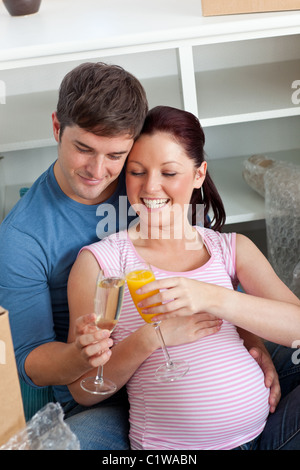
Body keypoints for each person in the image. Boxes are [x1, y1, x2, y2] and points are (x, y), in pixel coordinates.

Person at [67, 105, 300, 450]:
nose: (151, 187)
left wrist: (214, 297)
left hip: (266, 435)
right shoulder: (101, 263)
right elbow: (83, 388)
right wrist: (150, 338)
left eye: (169, 173)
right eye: (137, 171)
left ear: (198, 174)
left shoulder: (230, 248)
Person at [0, 62, 148, 449]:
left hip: (177, 364)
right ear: (56, 128)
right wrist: (80, 356)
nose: (98, 171)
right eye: (84, 148)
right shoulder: (22, 236)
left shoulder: (147, 182)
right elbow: (30, 360)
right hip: (101, 396)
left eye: (116, 155)